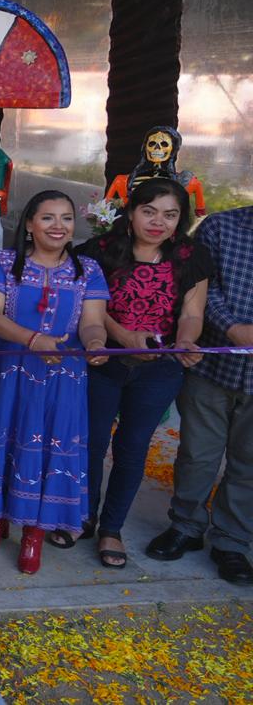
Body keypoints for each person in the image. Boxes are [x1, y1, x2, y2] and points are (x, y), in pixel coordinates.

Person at [0, 190, 109, 574]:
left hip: (62, 380)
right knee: (4, 442)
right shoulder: (5, 263)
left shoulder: (88, 270)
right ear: (30, 224)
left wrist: (96, 344)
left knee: (46, 453)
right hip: (9, 375)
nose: (59, 226)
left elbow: (91, 322)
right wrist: (34, 340)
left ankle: (34, 535)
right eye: (49, 218)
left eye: (67, 218)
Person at [66, 178, 211, 569]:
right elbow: (89, 308)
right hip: (102, 362)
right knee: (91, 444)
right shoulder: (99, 251)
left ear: (180, 220)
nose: (158, 222)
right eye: (149, 211)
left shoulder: (190, 256)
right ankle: (83, 516)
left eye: (170, 214)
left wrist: (183, 342)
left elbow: (192, 313)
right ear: (131, 212)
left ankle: (112, 529)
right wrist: (126, 337)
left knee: (133, 450)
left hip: (159, 370)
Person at [145, 203, 253, 585]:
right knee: (197, 454)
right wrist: (232, 327)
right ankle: (186, 526)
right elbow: (202, 286)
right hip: (212, 367)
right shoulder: (221, 227)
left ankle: (232, 542)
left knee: (248, 463)